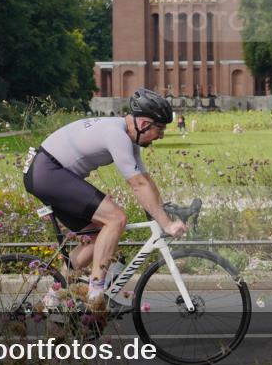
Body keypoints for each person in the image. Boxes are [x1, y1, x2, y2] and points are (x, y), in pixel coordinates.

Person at [23, 89, 188, 311]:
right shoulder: (116, 134)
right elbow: (137, 185)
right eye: (159, 129)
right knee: (116, 219)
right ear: (144, 123)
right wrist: (166, 224)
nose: (161, 135)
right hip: (48, 172)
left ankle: (53, 297)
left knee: (96, 236)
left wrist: (161, 213)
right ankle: (96, 296)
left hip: (48, 173)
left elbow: (145, 181)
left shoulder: (128, 137)